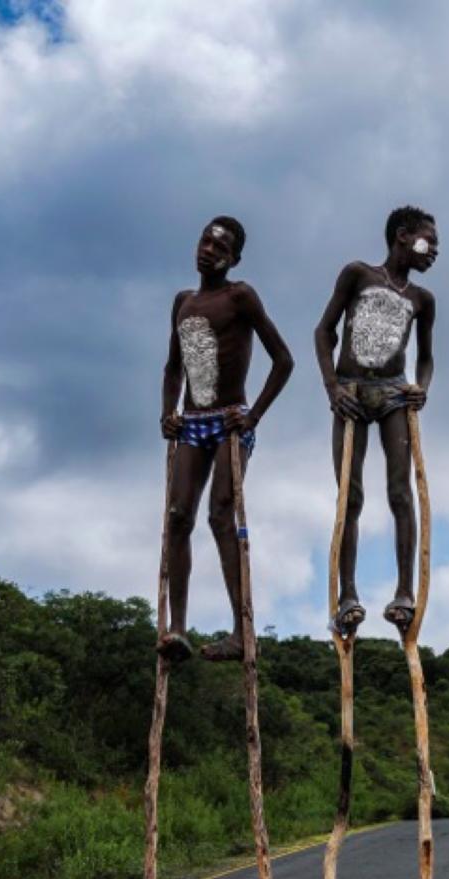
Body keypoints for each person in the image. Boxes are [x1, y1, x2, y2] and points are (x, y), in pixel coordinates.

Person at [156, 216, 293, 663]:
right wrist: (167, 413)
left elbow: (283, 361)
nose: (209, 251)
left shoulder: (240, 296)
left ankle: (240, 632)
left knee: (220, 514)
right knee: (178, 516)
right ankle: (177, 628)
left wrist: (253, 416)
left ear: (233, 258)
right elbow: (174, 367)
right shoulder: (183, 301)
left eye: (220, 247)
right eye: (205, 241)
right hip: (193, 421)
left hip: (230, 421)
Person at [312, 205, 439, 634]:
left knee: (401, 492)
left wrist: (421, 387)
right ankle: (348, 595)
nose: (434, 251)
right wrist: (332, 390)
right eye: (428, 241)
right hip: (349, 389)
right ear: (402, 236)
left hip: (393, 394)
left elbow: (425, 359)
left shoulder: (422, 300)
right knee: (350, 495)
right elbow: (324, 331)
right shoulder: (357, 274)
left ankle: (405, 592)